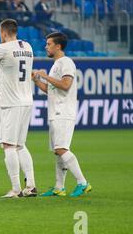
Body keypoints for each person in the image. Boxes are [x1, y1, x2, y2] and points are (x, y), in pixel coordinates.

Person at [0, 19, 37, 198]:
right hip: (27, 100)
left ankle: (16, 189)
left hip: (11, 102)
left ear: (3, 33)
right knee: (20, 145)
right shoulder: (28, 46)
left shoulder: (2, 48)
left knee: (8, 146)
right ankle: (31, 185)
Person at [32, 32, 92, 198]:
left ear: (58, 46)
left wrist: (46, 76)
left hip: (64, 112)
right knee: (58, 151)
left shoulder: (66, 62)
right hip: (55, 112)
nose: (46, 47)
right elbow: (51, 90)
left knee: (61, 148)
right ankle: (59, 187)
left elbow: (66, 85)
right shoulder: (57, 64)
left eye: (49, 44)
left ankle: (82, 182)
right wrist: (37, 81)